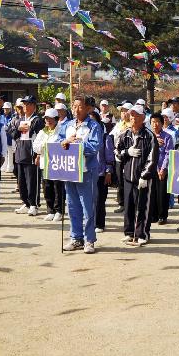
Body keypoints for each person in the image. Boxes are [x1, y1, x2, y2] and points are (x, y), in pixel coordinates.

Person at [58, 95, 103, 253]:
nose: (76, 110)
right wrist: (63, 142)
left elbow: (95, 146)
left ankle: (89, 239)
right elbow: (59, 141)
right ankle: (76, 237)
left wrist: (77, 143)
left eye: (80, 107)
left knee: (87, 207)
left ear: (88, 109)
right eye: (74, 106)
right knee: (72, 205)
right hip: (70, 170)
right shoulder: (68, 125)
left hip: (87, 171)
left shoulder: (94, 126)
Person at [115, 105, 159, 246]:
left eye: (136, 115)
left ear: (143, 118)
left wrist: (145, 176)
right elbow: (116, 152)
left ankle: (142, 233)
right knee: (129, 206)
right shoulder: (125, 134)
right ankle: (129, 233)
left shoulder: (149, 136)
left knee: (143, 207)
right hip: (128, 177)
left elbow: (152, 159)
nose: (133, 118)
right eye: (131, 115)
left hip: (143, 178)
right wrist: (127, 152)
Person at [11, 96, 44, 215]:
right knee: (22, 181)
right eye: (24, 104)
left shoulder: (37, 120)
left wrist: (38, 155)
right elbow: (13, 134)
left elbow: (38, 134)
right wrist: (19, 129)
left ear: (34, 106)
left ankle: (34, 204)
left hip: (31, 155)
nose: (25, 106)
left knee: (32, 181)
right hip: (20, 153)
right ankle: (26, 202)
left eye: (28, 104)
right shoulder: (19, 119)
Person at [148, 111, 173, 225]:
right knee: (151, 192)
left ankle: (163, 216)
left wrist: (163, 169)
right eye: (153, 122)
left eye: (158, 122)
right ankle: (153, 215)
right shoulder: (148, 136)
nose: (155, 124)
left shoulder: (168, 137)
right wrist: (154, 142)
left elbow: (168, 153)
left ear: (162, 123)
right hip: (150, 168)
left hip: (162, 168)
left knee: (162, 193)